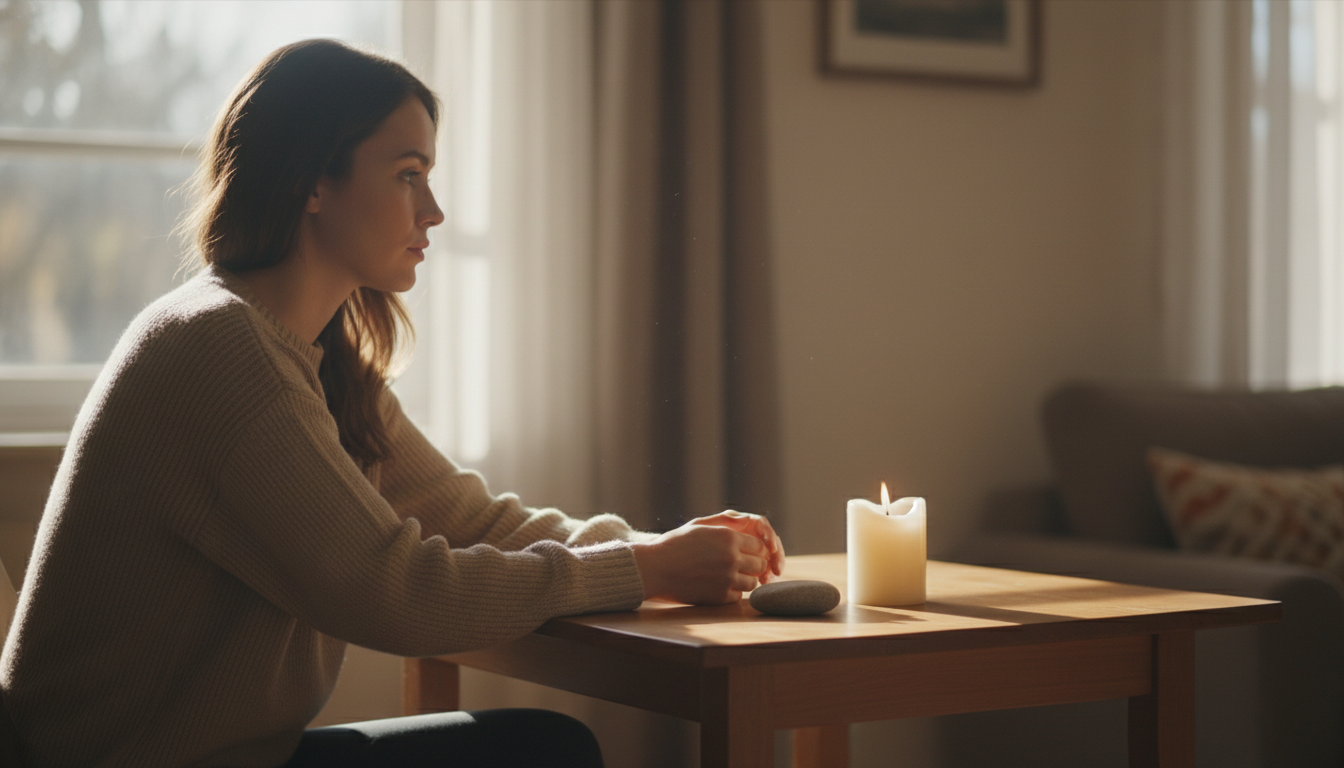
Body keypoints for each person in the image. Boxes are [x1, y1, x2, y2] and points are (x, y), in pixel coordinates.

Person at [0, 39, 784, 768]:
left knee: (543, 748)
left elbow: (474, 521)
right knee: (543, 753)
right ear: (312, 182)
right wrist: (644, 567)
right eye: (408, 174)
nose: (433, 211)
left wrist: (663, 551)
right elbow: (396, 593)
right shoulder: (214, 350)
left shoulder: (318, 362)